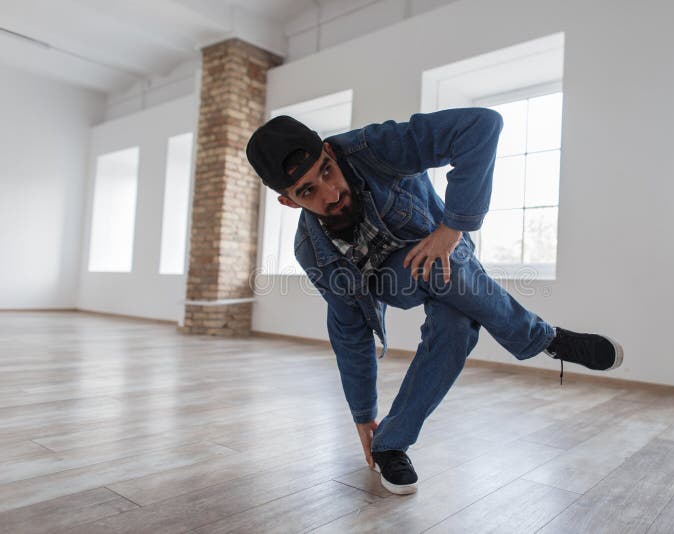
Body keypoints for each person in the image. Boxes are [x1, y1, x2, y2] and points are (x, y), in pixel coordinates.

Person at [245, 108, 623, 495]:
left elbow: (481, 126)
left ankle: (391, 444)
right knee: (438, 272)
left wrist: (453, 227)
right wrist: (362, 413)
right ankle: (547, 340)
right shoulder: (313, 252)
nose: (331, 193)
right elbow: (349, 329)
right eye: (308, 191)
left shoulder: (374, 148)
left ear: (330, 151)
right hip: (398, 280)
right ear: (289, 202)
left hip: (446, 251)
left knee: (456, 328)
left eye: (327, 171)